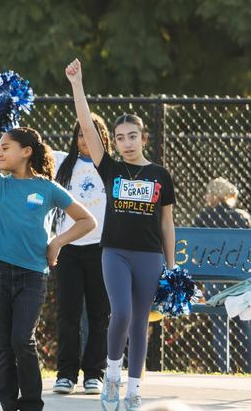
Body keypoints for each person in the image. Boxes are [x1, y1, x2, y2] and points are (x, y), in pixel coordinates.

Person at [66, 59, 178, 411]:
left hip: (149, 255)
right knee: (123, 314)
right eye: (119, 138)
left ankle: (133, 389)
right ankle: (111, 374)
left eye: (133, 136)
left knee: (141, 322)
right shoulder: (110, 167)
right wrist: (77, 85)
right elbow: (86, 123)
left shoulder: (160, 175)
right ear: (112, 142)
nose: (126, 143)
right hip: (114, 251)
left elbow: (167, 224)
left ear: (144, 138)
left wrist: (171, 267)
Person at [0, 126, 96, 411]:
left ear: (26, 152)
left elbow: (87, 221)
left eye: (5, 147)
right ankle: (9, 405)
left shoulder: (47, 188)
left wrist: (57, 243)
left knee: (22, 340)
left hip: (32, 276)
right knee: (3, 347)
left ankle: (32, 405)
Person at [51, 114, 112, 395]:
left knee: (100, 315)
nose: (85, 139)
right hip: (68, 251)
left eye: (92, 134)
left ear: (103, 138)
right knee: (68, 314)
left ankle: (94, 374)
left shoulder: (111, 167)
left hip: (102, 250)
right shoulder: (63, 163)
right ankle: (65, 374)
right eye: (80, 134)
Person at [192, 178, 251, 373]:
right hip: (239, 279)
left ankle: (223, 367)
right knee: (245, 321)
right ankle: (248, 365)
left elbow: (196, 249)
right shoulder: (241, 217)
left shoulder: (204, 217)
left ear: (214, 195)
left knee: (219, 324)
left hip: (213, 278)